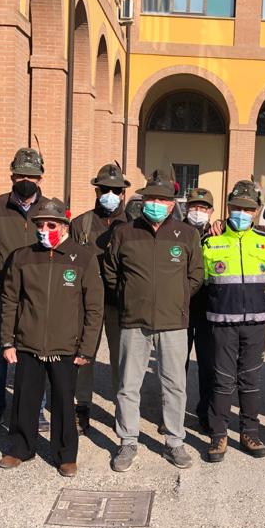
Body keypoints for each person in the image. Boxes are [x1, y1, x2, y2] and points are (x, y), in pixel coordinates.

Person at [102, 168, 204, 471]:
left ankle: (174, 441)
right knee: (128, 385)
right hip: (134, 321)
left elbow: (196, 275)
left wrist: (178, 298)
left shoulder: (187, 234)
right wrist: (128, 297)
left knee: (174, 385)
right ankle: (127, 441)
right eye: (150, 198)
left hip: (173, 322)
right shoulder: (125, 232)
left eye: (161, 199)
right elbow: (111, 272)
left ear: (172, 204)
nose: (155, 204)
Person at [0, 198, 103, 477]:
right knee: (25, 399)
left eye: (51, 225)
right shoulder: (22, 257)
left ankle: (65, 454)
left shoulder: (83, 258)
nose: (44, 229)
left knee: (64, 402)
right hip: (28, 343)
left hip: (66, 346)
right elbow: (10, 300)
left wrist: (87, 348)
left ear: (64, 226)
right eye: (40, 225)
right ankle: (20, 448)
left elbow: (94, 307)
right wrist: (8, 341)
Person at [201, 181, 265, 462]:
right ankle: (218, 435)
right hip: (222, 322)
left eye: (248, 209)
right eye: (236, 207)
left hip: (256, 323)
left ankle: (250, 433)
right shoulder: (210, 240)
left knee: (250, 380)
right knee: (222, 381)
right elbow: (202, 283)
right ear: (228, 208)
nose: (242, 213)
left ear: (257, 211)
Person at [0, 147, 45, 431]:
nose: (26, 181)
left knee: (37, 353)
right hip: (2, 293)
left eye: (31, 176)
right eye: (20, 175)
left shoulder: (49, 208)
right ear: (12, 176)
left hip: (38, 295)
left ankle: (35, 409)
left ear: (41, 178)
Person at [71, 162, 130, 433]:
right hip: (87, 304)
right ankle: (81, 406)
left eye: (116, 191)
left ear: (123, 194)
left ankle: (122, 409)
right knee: (84, 356)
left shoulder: (132, 225)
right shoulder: (80, 224)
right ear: (96, 191)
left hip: (120, 303)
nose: (110, 195)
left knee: (121, 357)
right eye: (105, 189)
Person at [183, 186, 216, 433]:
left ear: (211, 211)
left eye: (203, 208)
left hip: (208, 310)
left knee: (208, 366)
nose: (198, 211)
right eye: (194, 206)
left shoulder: (218, 234)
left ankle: (205, 413)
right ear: (186, 208)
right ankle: (171, 414)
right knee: (175, 367)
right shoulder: (176, 232)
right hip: (180, 308)